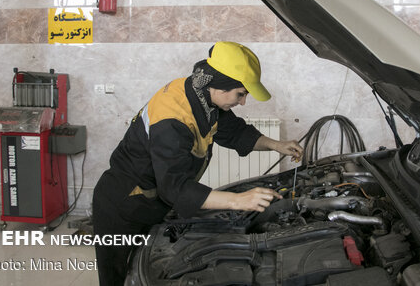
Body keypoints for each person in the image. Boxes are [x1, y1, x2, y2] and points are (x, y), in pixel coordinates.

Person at [92, 41, 303, 285]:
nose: (243, 102)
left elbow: (234, 132)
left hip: (153, 201)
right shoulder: (172, 118)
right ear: (221, 85)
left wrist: (276, 145)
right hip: (123, 206)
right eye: (240, 94)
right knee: (117, 277)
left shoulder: (201, 95)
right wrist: (238, 200)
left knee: (153, 270)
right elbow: (175, 187)